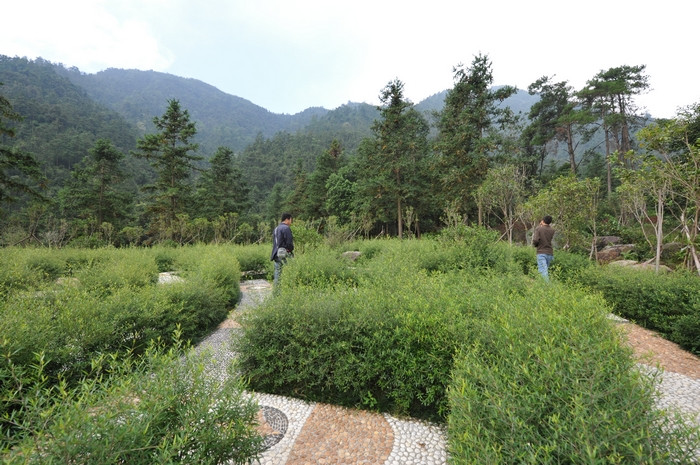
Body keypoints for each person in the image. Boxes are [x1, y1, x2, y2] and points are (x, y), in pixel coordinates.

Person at [271, 212, 294, 287]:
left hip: (276, 254)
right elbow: (289, 242)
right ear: (287, 219)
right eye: (291, 220)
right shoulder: (286, 228)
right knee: (291, 270)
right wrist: (290, 250)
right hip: (285, 254)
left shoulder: (276, 228)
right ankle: (290, 288)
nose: (291, 222)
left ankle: (276, 292)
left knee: (277, 273)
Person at [532, 215, 554, 281]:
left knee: (543, 272)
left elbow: (535, 240)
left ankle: (546, 288)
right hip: (550, 253)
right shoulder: (552, 230)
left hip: (541, 252)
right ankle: (543, 286)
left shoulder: (539, 228)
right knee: (546, 270)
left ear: (543, 220)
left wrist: (535, 245)